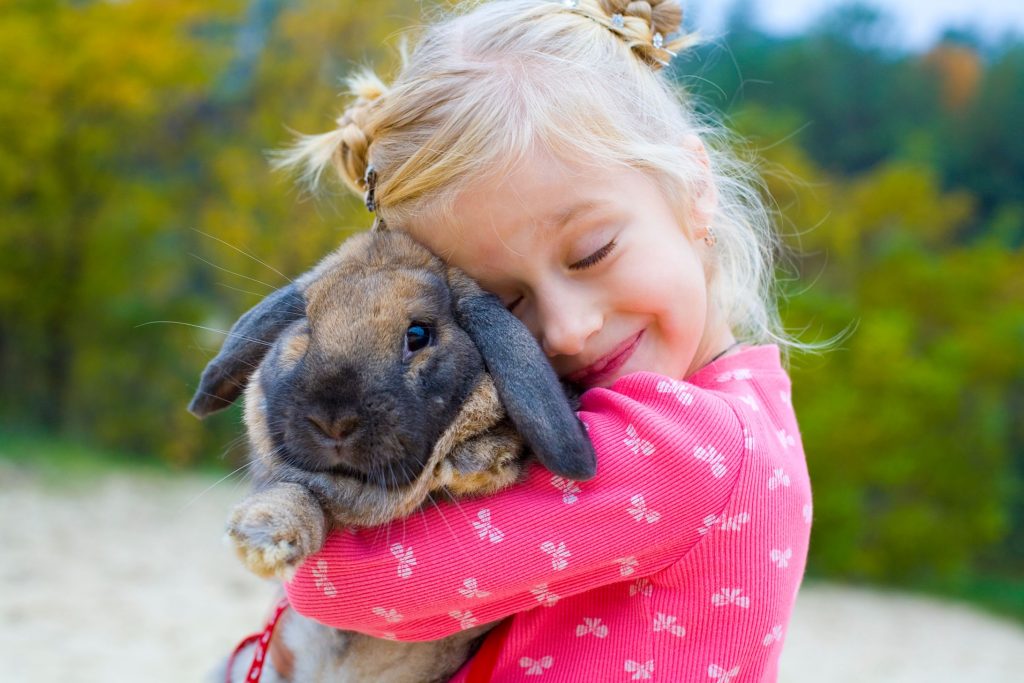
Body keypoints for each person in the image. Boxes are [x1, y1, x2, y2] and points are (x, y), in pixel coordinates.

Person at [270, 0, 812, 680]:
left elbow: (344, 583)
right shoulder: (753, 406)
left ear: (695, 185)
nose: (566, 327)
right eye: (501, 303)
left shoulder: (687, 448)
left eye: (591, 253)